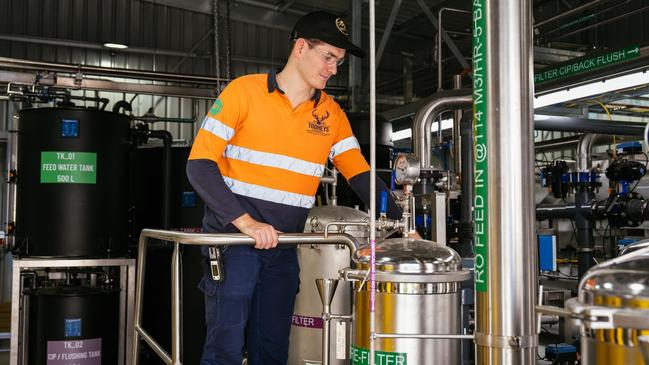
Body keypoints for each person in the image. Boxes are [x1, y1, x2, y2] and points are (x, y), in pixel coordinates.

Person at [186, 10, 401, 365]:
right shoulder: (244, 92)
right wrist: (248, 224)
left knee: (271, 350)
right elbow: (200, 165)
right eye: (328, 56)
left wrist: (403, 226)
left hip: (285, 247)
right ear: (301, 47)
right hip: (233, 243)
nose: (333, 68)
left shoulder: (331, 114)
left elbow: (360, 176)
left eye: (339, 61)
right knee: (224, 348)